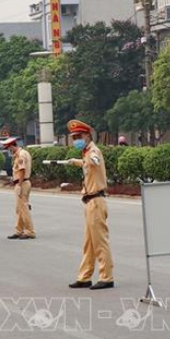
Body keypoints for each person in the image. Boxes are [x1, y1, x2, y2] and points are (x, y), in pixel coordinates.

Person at [66, 119, 114, 290]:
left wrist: (91, 159)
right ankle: (85, 276)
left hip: (96, 200)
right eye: (73, 137)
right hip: (90, 201)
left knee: (100, 242)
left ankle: (106, 277)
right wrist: (76, 161)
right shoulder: (85, 153)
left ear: (87, 135)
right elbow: (87, 163)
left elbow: (95, 160)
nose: (76, 140)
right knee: (89, 243)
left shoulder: (93, 151)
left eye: (78, 136)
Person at [2, 137, 35, 240]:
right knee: (19, 209)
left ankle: (30, 232)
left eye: (9, 148)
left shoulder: (20, 155)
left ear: (12, 146)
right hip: (22, 182)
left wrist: (19, 185)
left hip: (23, 183)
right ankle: (19, 230)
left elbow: (22, 170)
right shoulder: (22, 153)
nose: (9, 151)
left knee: (23, 209)